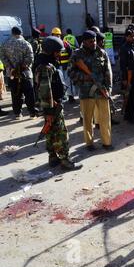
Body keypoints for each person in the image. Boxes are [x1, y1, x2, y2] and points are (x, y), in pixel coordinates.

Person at [35, 36, 82, 170]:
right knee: (61, 134)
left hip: (51, 105)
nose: (59, 54)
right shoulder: (45, 67)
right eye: (57, 51)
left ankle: (53, 157)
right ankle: (65, 161)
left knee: (51, 132)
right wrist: (50, 111)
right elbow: (45, 91)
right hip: (52, 107)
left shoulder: (46, 64)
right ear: (50, 51)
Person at [69, 30, 113, 151]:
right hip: (86, 92)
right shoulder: (77, 55)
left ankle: (107, 142)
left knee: (105, 118)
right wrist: (86, 77)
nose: (93, 43)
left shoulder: (101, 52)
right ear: (84, 42)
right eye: (90, 41)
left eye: (94, 40)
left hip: (101, 91)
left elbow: (108, 72)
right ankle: (89, 143)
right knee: (87, 120)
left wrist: (108, 89)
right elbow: (71, 72)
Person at [0, 26, 37, 119]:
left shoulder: (5, 44)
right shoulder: (26, 44)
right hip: (26, 73)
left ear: (12, 33)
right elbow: (30, 58)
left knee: (15, 94)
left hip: (12, 74)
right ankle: (32, 113)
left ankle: (17, 114)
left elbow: (3, 57)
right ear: (21, 33)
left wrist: (11, 67)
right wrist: (22, 66)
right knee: (29, 93)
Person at [119, 29, 134, 124]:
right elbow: (123, 65)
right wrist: (124, 79)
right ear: (126, 37)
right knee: (129, 97)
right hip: (129, 77)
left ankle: (130, 114)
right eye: (131, 36)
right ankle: (129, 116)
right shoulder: (124, 49)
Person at [51, 27, 75, 103]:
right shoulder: (52, 45)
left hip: (66, 66)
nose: (57, 36)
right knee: (59, 82)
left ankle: (71, 96)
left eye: (58, 35)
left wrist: (70, 64)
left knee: (68, 81)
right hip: (57, 67)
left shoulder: (65, 44)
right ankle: (61, 97)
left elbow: (71, 54)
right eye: (55, 35)